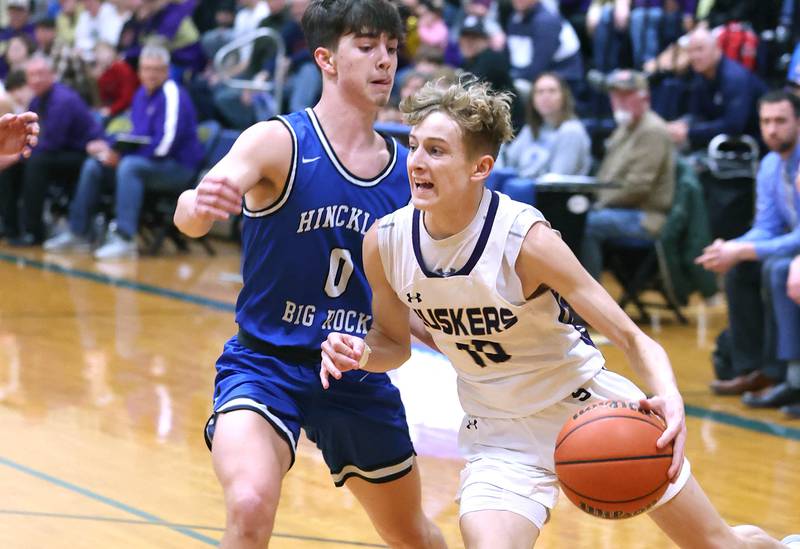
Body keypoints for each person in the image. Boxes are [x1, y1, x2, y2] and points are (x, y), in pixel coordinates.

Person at [319, 77, 798, 549]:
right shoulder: (385, 242)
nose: (417, 163)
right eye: (416, 146)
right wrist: (360, 352)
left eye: (437, 151)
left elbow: (632, 337)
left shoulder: (526, 242)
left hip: (590, 410)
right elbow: (393, 345)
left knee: (718, 546)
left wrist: (669, 395)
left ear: (479, 166)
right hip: (499, 433)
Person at [173, 0, 446, 547]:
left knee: (410, 533)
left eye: (391, 50)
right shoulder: (278, 141)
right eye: (366, 47)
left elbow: (409, 310)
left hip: (356, 369)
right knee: (249, 503)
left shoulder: (405, 174)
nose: (384, 62)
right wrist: (203, 205)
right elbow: (189, 216)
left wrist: (483, 352)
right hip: (266, 362)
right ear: (325, 58)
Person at [44, 43, 203, 259]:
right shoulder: (140, 94)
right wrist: (108, 148)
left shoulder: (172, 93)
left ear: (166, 71)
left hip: (177, 167)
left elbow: (166, 143)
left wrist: (122, 158)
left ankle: (125, 239)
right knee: (95, 164)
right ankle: (78, 232)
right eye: (146, 69)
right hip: (148, 162)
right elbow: (134, 134)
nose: (151, 74)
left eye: (157, 69)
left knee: (129, 167)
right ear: (139, 71)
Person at [696, 90, 800, 398]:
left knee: (775, 269)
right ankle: (754, 369)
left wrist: (743, 249)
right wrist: (730, 247)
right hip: (790, 248)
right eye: (765, 121)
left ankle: (785, 373)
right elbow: (766, 227)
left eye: (780, 121)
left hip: (792, 254)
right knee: (740, 269)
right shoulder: (770, 164)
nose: (771, 129)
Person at [580, 69, 674, 281]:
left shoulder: (652, 130)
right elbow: (606, 177)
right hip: (619, 209)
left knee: (586, 224)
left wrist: (598, 203)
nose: (618, 101)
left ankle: (588, 303)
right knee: (574, 217)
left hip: (646, 216)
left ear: (644, 97)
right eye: (615, 95)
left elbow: (638, 188)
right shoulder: (625, 127)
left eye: (626, 95)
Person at [494, 71, 590, 204]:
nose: (545, 96)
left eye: (552, 91)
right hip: (522, 194)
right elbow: (508, 163)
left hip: (554, 203)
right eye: (540, 92)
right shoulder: (531, 129)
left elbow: (556, 181)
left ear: (564, 97)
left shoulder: (571, 131)